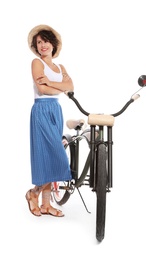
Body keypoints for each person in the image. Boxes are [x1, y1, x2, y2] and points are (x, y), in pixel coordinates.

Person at [25, 24, 74, 217]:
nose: (42, 45)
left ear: (53, 44)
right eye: (39, 42)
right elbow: (43, 90)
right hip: (42, 109)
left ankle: (45, 205)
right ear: (36, 47)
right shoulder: (37, 63)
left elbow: (70, 86)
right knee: (51, 154)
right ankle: (33, 193)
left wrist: (53, 83)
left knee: (53, 155)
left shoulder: (60, 67)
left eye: (45, 41)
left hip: (56, 109)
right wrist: (61, 87)